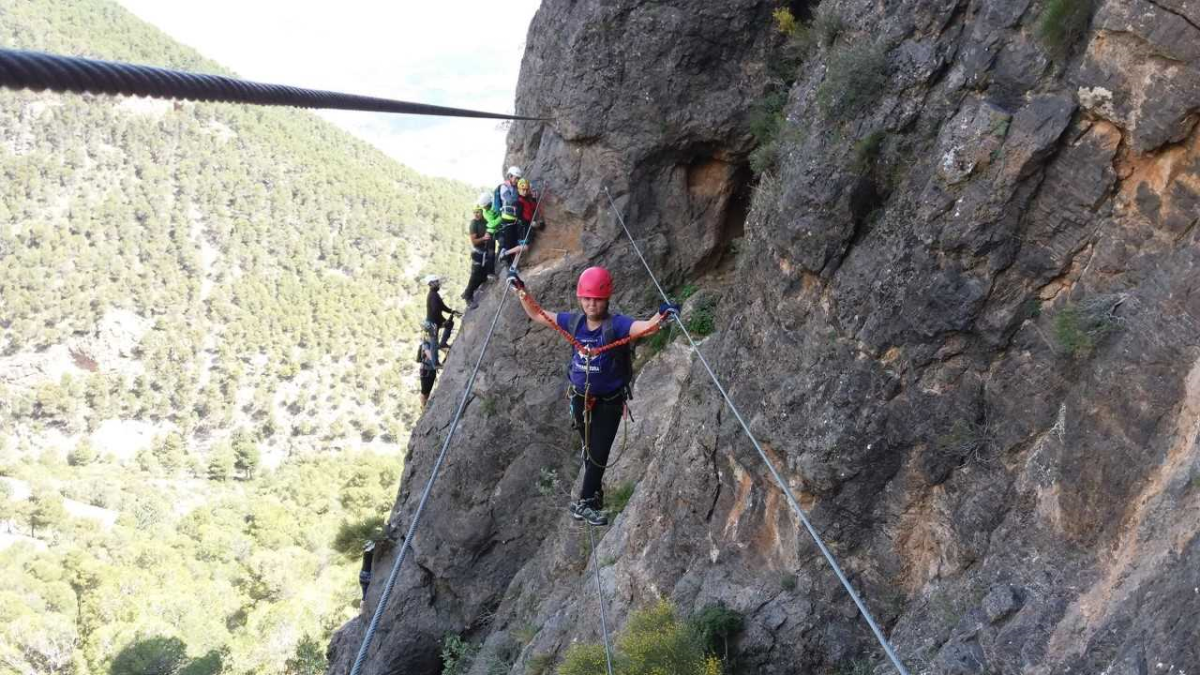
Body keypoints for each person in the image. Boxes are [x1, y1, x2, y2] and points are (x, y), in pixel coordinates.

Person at [507, 266, 679, 526]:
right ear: (580, 298)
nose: (591, 304)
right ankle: (595, 493)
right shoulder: (574, 322)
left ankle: (584, 502)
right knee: (590, 450)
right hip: (579, 398)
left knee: (598, 452)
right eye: (586, 298)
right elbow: (539, 315)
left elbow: (646, 328)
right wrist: (522, 291)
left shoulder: (616, 325)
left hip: (609, 401)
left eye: (596, 299)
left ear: (606, 299)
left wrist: (661, 313)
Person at [462, 195, 494, 310]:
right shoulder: (474, 224)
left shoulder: (486, 220)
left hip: (485, 251)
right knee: (475, 274)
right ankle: (468, 296)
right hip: (478, 251)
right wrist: (484, 239)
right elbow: (474, 241)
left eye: (478, 212)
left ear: (482, 211)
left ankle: (467, 291)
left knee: (481, 276)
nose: (476, 214)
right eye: (474, 212)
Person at [424, 275, 459, 366]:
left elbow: (442, 306)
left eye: (437, 281)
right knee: (434, 343)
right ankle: (435, 364)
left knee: (449, 323)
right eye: (436, 282)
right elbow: (435, 311)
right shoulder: (433, 296)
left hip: (434, 321)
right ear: (431, 284)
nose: (438, 283)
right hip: (432, 323)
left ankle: (443, 343)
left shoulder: (435, 294)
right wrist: (443, 321)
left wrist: (451, 311)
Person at [495, 166, 522, 272]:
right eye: (516, 178)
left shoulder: (515, 187)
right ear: (510, 176)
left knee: (513, 241)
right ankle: (505, 261)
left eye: (518, 178)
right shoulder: (504, 187)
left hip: (514, 218)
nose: (517, 180)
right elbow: (510, 201)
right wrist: (519, 197)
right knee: (508, 242)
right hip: (507, 219)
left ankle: (511, 262)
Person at [417, 337, 438, 409]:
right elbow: (427, 352)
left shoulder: (433, 343)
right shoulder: (425, 343)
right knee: (424, 391)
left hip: (431, 370)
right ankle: (423, 407)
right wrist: (435, 361)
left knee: (428, 391)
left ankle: (424, 405)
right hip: (426, 370)